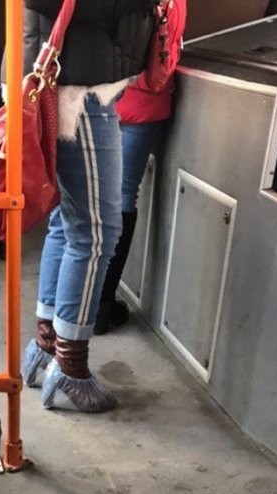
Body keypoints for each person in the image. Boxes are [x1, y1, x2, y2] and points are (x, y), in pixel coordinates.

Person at [18, 0, 156, 413]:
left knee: (69, 224)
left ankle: (46, 346)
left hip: (67, 76)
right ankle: (70, 368)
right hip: (77, 89)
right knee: (96, 233)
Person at [95, 0, 187, 335]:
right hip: (142, 103)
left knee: (81, 200)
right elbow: (169, 44)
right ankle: (102, 306)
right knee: (122, 197)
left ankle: (72, 304)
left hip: (96, 97)